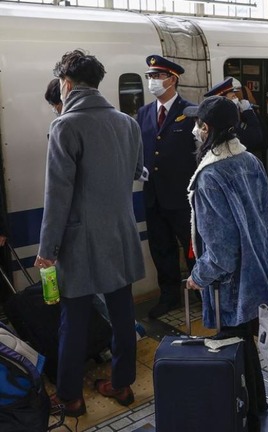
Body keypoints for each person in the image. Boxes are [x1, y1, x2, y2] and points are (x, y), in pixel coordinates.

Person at [36, 49, 145, 417]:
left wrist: (48, 248)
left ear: (66, 85)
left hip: (79, 243)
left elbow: (57, 196)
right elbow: (136, 172)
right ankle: (122, 384)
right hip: (120, 234)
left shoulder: (65, 127)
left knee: (74, 322)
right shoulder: (128, 124)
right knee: (122, 315)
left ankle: (70, 397)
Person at [184, 96, 268, 432]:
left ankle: (248, 413)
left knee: (234, 347)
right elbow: (266, 218)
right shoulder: (250, 159)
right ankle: (259, 406)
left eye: (198, 124)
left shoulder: (210, 176)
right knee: (245, 345)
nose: (195, 130)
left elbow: (221, 252)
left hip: (230, 285)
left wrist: (198, 277)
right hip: (257, 271)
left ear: (207, 128)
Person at [136, 55, 198, 319]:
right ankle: (169, 295)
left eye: (157, 76)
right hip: (153, 196)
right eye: (150, 77)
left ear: (172, 79)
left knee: (193, 246)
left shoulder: (191, 111)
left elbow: (199, 152)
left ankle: (203, 292)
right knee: (161, 249)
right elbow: (141, 147)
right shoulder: (144, 113)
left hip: (183, 196)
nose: (153, 82)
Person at [203, 77, 267, 156]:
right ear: (224, 101)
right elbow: (256, 137)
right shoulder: (227, 121)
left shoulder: (231, 116)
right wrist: (248, 112)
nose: (237, 99)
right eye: (233, 97)